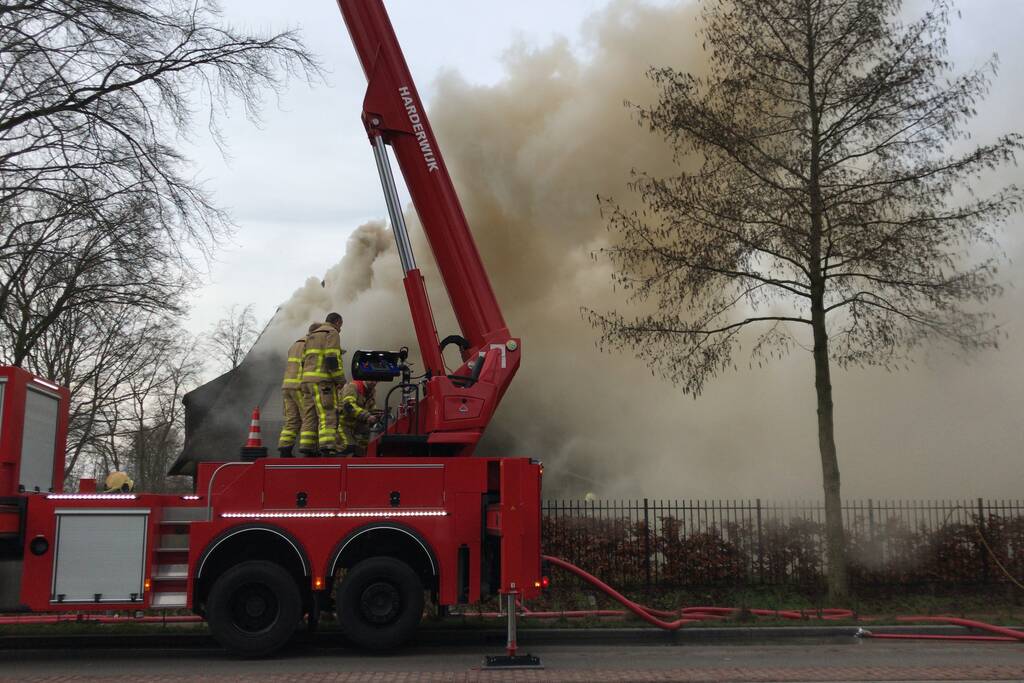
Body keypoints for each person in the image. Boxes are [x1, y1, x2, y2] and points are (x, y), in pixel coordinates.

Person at [299, 312, 346, 456]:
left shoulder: (311, 335)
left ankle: (307, 446)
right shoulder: (331, 333)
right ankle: (327, 446)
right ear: (337, 322)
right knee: (328, 413)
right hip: (323, 382)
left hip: (306, 382)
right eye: (341, 326)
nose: (340, 329)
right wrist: (340, 380)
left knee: (310, 415)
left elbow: (303, 360)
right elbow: (331, 358)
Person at [277, 323, 319, 457]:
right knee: (308, 416)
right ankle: (308, 448)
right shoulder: (311, 344)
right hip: (300, 387)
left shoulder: (295, 344)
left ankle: (285, 449)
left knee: (292, 419)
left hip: (287, 387)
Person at [338, 380, 378, 456]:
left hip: (358, 427)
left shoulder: (372, 391)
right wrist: (367, 416)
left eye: (376, 381)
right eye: (372, 380)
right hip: (343, 426)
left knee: (362, 450)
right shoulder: (353, 386)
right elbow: (348, 406)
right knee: (347, 448)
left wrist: (376, 416)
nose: (374, 382)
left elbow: (372, 408)